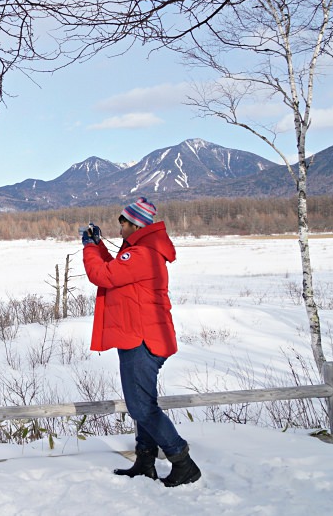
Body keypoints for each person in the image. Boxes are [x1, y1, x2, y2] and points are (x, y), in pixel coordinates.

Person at [80, 197, 201, 487]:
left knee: (140, 407)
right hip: (142, 336)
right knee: (144, 402)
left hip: (142, 339)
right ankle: (145, 461)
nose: (119, 229)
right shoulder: (140, 251)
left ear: (135, 224)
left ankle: (182, 461)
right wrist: (98, 246)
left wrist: (88, 248)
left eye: (122, 224)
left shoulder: (142, 253)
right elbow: (116, 271)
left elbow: (102, 275)